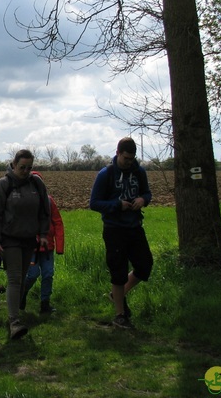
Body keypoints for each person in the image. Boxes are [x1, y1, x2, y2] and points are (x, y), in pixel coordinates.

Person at [90, 137, 153, 329]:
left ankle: (118, 294)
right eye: (126, 158)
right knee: (118, 272)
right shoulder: (106, 174)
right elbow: (94, 203)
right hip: (114, 229)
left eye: (132, 158)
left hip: (134, 227)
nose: (129, 162)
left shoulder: (139, 172)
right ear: (118, 153)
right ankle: (120, 316)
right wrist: (117, 205)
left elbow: (147, 193)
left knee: (145, 265)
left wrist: (143, 199)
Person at [0, 149, 51, 339]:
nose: (25, 171)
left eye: (29, 168)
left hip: (29, 239)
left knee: (22, 280)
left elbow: (44, 210)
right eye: (22, 167)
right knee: (15, 279)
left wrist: (43, 233)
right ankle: (14, 321)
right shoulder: (4, 185)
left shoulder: (36, 183)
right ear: (13, 165)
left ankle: (14, 313)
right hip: (10, 239)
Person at [21, 171, 65, 314]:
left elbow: (58, 223)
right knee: (32, 275)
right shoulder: (24, 202)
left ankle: (45, 303)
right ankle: (22, 293)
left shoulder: (49, 201)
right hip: (32, 247)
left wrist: (59, 246)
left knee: (48, 274)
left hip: (47, 247)